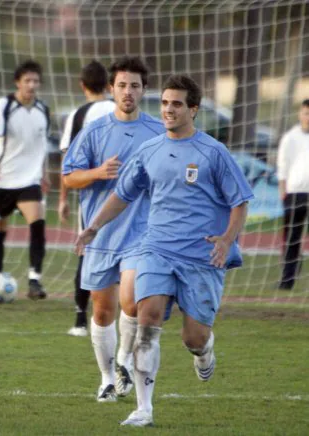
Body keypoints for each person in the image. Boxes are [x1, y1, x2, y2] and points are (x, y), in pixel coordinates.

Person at [75, 74, 253, 427]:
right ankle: (143, 408)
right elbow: (123, 194)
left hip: (201, 257)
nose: (168, 110)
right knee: (147, 319)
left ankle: (204, 351)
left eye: (176, 104)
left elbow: (240, 201)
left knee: (193, 336)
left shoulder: (213, 152)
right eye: (165, 103)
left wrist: (227, 239)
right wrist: (93, 227)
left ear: (193, 110)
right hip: (155, 249)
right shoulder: (150, 149)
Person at [63, 57, 165, 401]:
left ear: (144, 90)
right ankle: (107, 378)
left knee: (132, 301)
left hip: (142, 233)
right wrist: (97, 173)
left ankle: (123, 360)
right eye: (122, 85)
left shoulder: (157, 132)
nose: (128, 92)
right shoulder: (94, 132)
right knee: (103, 311)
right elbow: (67, 177)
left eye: (135, 85)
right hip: (102, 234)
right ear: (111, 89)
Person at [0, 60, 50, 300]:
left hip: (29, 180)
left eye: (35, 81)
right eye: (27, 81)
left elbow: (41, 145)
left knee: (37, 222)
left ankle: (34, 279)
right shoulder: (5, 105)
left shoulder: (43, 110)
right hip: (2, 180)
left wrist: (44, 173)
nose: (32, 85)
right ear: (18, 83)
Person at [58, 60, 115, 337]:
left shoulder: (79, 114)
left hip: (91, 197)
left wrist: (63, 197)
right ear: (109, 85)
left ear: (82, 85)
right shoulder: (122, 110)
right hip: (127, 196)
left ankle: (81, 319)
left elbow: (67, 161)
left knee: (87, 250)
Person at [276, 99, 309, 290]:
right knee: (292, 238)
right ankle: (287, 280)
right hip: (295, 193)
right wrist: (283, 191)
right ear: (300, 113)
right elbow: (283, 166)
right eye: (305, 112)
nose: (308, 116)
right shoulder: (290, 137)